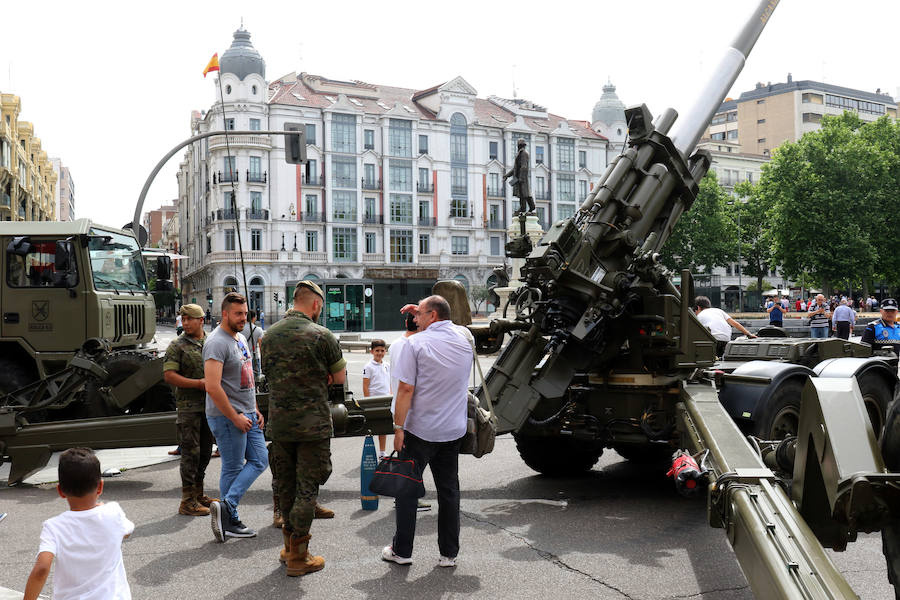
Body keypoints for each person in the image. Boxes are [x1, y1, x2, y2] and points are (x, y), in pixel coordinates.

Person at [261, 281, 346, 576]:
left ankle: (288, 547)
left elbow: (269, 374)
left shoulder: (268, 337)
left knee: (285, 487)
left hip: (280, 425)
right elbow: (339, 377)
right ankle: (299, 555)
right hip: (312, 426)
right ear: (316, 305)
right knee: (307, 490)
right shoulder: (322, 335)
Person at [382, 295, 472, 568]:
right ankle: (449, 554)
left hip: (419, 430)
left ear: (431, 316)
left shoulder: (414, 344)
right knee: (449, 492)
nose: (414, 318)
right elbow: (453, 323)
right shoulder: (465, 339)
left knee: (407, 491)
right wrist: (422, 308)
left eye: (418, 314)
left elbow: (405, 390)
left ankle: (403, 551)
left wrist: (398, 427)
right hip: (452, 430)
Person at [24, 448, 134, 600]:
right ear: (100, 487)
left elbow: (42, 569)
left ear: (60, 491)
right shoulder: (113, 512)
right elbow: (126, 532)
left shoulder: (54, 527)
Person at [204, 292, 268, 542]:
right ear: (225, 314)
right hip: (226, 416)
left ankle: (226, 507)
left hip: (247, 413)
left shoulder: (240, 337)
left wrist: (255, 409)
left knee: (260, 460)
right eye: (238, 314)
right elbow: (212, 386)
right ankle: (230, 518)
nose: (243, 318)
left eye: (245, 313)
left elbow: (247, 378)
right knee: (232, 466)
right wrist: (234, 416)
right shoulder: (216, 342)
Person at [163, 304, 216, 516]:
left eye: (189, 319)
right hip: (189, 409)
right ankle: (187, 501)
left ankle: (198, 493)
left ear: (201, 320)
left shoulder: (211, 342)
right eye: (183, 319)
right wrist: (198, 384)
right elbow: (169, 376)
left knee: (205, 452)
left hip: (210, 408)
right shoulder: (177, 345)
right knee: (190, 455)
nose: (185, 323)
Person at [388, 314, 432, 512]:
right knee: (413, 458)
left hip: (397, 405)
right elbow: (409, 385)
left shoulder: (397, 343)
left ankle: (405, 494)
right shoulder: (414, 344)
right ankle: (406, 496)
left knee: (406, 455)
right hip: (410, 408)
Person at [363, 339, 391, 458]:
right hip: (374, 401)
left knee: (383, 427)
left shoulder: (387, 365)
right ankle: (370, 452)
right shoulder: (368, 367)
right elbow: (365, 385)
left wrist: (391, 395)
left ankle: (382, 452)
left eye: (382, 350)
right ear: (372, 351)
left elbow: (389, 382)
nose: (380, 353)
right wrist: (367, 401)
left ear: (385, 351)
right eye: (377, 350)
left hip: (385, 400)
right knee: (371, 428)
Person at [504, 138, 535, 215]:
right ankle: (527, 207)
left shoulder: (524, 153)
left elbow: (524, 166)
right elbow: (515, 169)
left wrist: (521, 177)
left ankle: (527, 207)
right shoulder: (520, 154)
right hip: (519, 177)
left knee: (524, 193)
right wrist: (507, 175)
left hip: (522, 178)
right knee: (523, 193)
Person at [242, 309, 265, 380]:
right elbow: (261, 347)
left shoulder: (240, 329)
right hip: (254, 358)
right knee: (255, 380)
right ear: (254, 318)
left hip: (242, 357)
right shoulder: (258, 330)